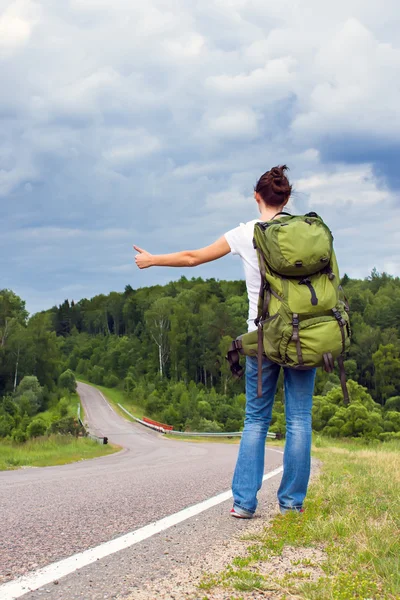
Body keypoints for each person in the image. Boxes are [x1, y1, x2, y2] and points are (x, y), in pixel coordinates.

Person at [134, 165, 316, 518]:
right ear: (288, 198)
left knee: (256, 420)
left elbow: (193, 258)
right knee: (299, 420)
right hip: (303, 336)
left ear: (256, 197)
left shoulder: (246, 233)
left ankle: (245, 503)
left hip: (261, 339)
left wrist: (153, 260)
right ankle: (292, 504)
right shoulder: (307, 232)